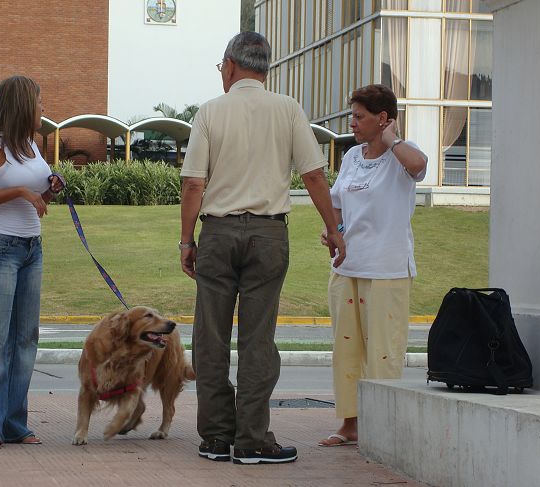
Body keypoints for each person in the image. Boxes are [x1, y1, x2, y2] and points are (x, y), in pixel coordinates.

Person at [179, 31, 345, 465]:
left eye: (221, 68)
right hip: (269, 234)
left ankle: (215, 437)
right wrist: (334, 228)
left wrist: (186, 240)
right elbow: (313, 176)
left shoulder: (210, 112)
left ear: (230, 65)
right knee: (258, 339)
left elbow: (194, 182)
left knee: (210, 337)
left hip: (218, 232)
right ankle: (252, 439)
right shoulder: (288, 109)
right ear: (264, 67)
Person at [319, 84, 427, 447]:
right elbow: (338, 201)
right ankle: (349, 424)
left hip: (387, 270)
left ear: (382, 118)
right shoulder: (351, 157)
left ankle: (383, 425)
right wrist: (334, 230)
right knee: (346, 350)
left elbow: (419, 166)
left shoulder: (402, 156)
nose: (353, 123)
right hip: (347, 267)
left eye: (360, 117)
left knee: (383, 350)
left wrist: (392, 139)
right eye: (352, 116)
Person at [0, 75, 64, 449]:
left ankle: (13, 423)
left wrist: (48, 189)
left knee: (25, 340)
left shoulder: (32, 146)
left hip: (30, 249)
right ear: (23, 104)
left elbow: (36, 202)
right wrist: (22, 190)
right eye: (40, 101)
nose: (44, 107)